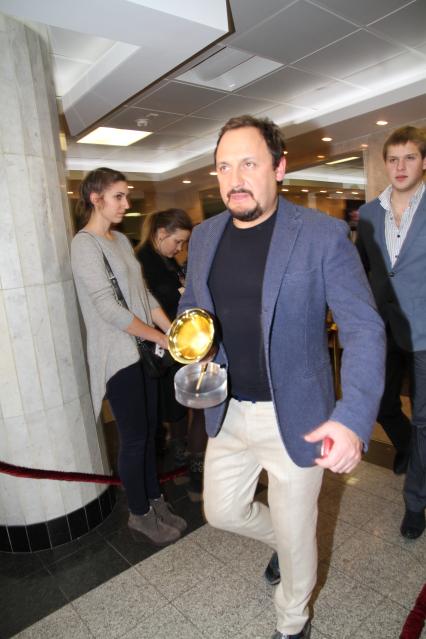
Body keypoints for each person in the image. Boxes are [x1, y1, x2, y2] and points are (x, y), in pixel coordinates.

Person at [178, 115, 385, 639]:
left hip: (297, 414)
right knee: (222, 511)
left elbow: (364, 328)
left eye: (249, 163)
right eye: (224, 167)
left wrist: (352, 418)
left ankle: (293, 623)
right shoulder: (204, 236)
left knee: (298, 535)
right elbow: (192, 308)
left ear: (279, 167)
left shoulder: (321, 235)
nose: (235, 179)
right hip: (228, 410)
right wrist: (191, 347)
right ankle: (286, 544)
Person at [70, 167, 187, 546]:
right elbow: (108, 308)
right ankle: (139, 512)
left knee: (151, 432)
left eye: (125, 195)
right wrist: (158, 337)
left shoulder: (120, 239)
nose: (125, 203)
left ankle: (155, 500)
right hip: (118, 355)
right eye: (118, 196)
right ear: (95, 198)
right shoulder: (85, 245)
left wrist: (171, 330)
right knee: (135, 438)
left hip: (142, 351)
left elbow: (142, 294)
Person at [356, 126, 426, 540]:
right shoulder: (368, 215)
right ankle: (409, 451)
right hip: (382, 329)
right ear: (385, 164)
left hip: (424, 333)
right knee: (380, 406)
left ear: (423, 162)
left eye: (409, 158)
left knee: (423, 420)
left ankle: (415, 502)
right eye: (393, 159)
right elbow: (360, 271)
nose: (400, 167)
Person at [136, 209, 207, 490]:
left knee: (186, 404)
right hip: (162, 348)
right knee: (177, 406)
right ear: (161, 233)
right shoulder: (140, 262)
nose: (180, 249)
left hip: (178, 343)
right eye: (177, 242)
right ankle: (183, 460)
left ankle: (187, 459)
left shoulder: (167, 261)